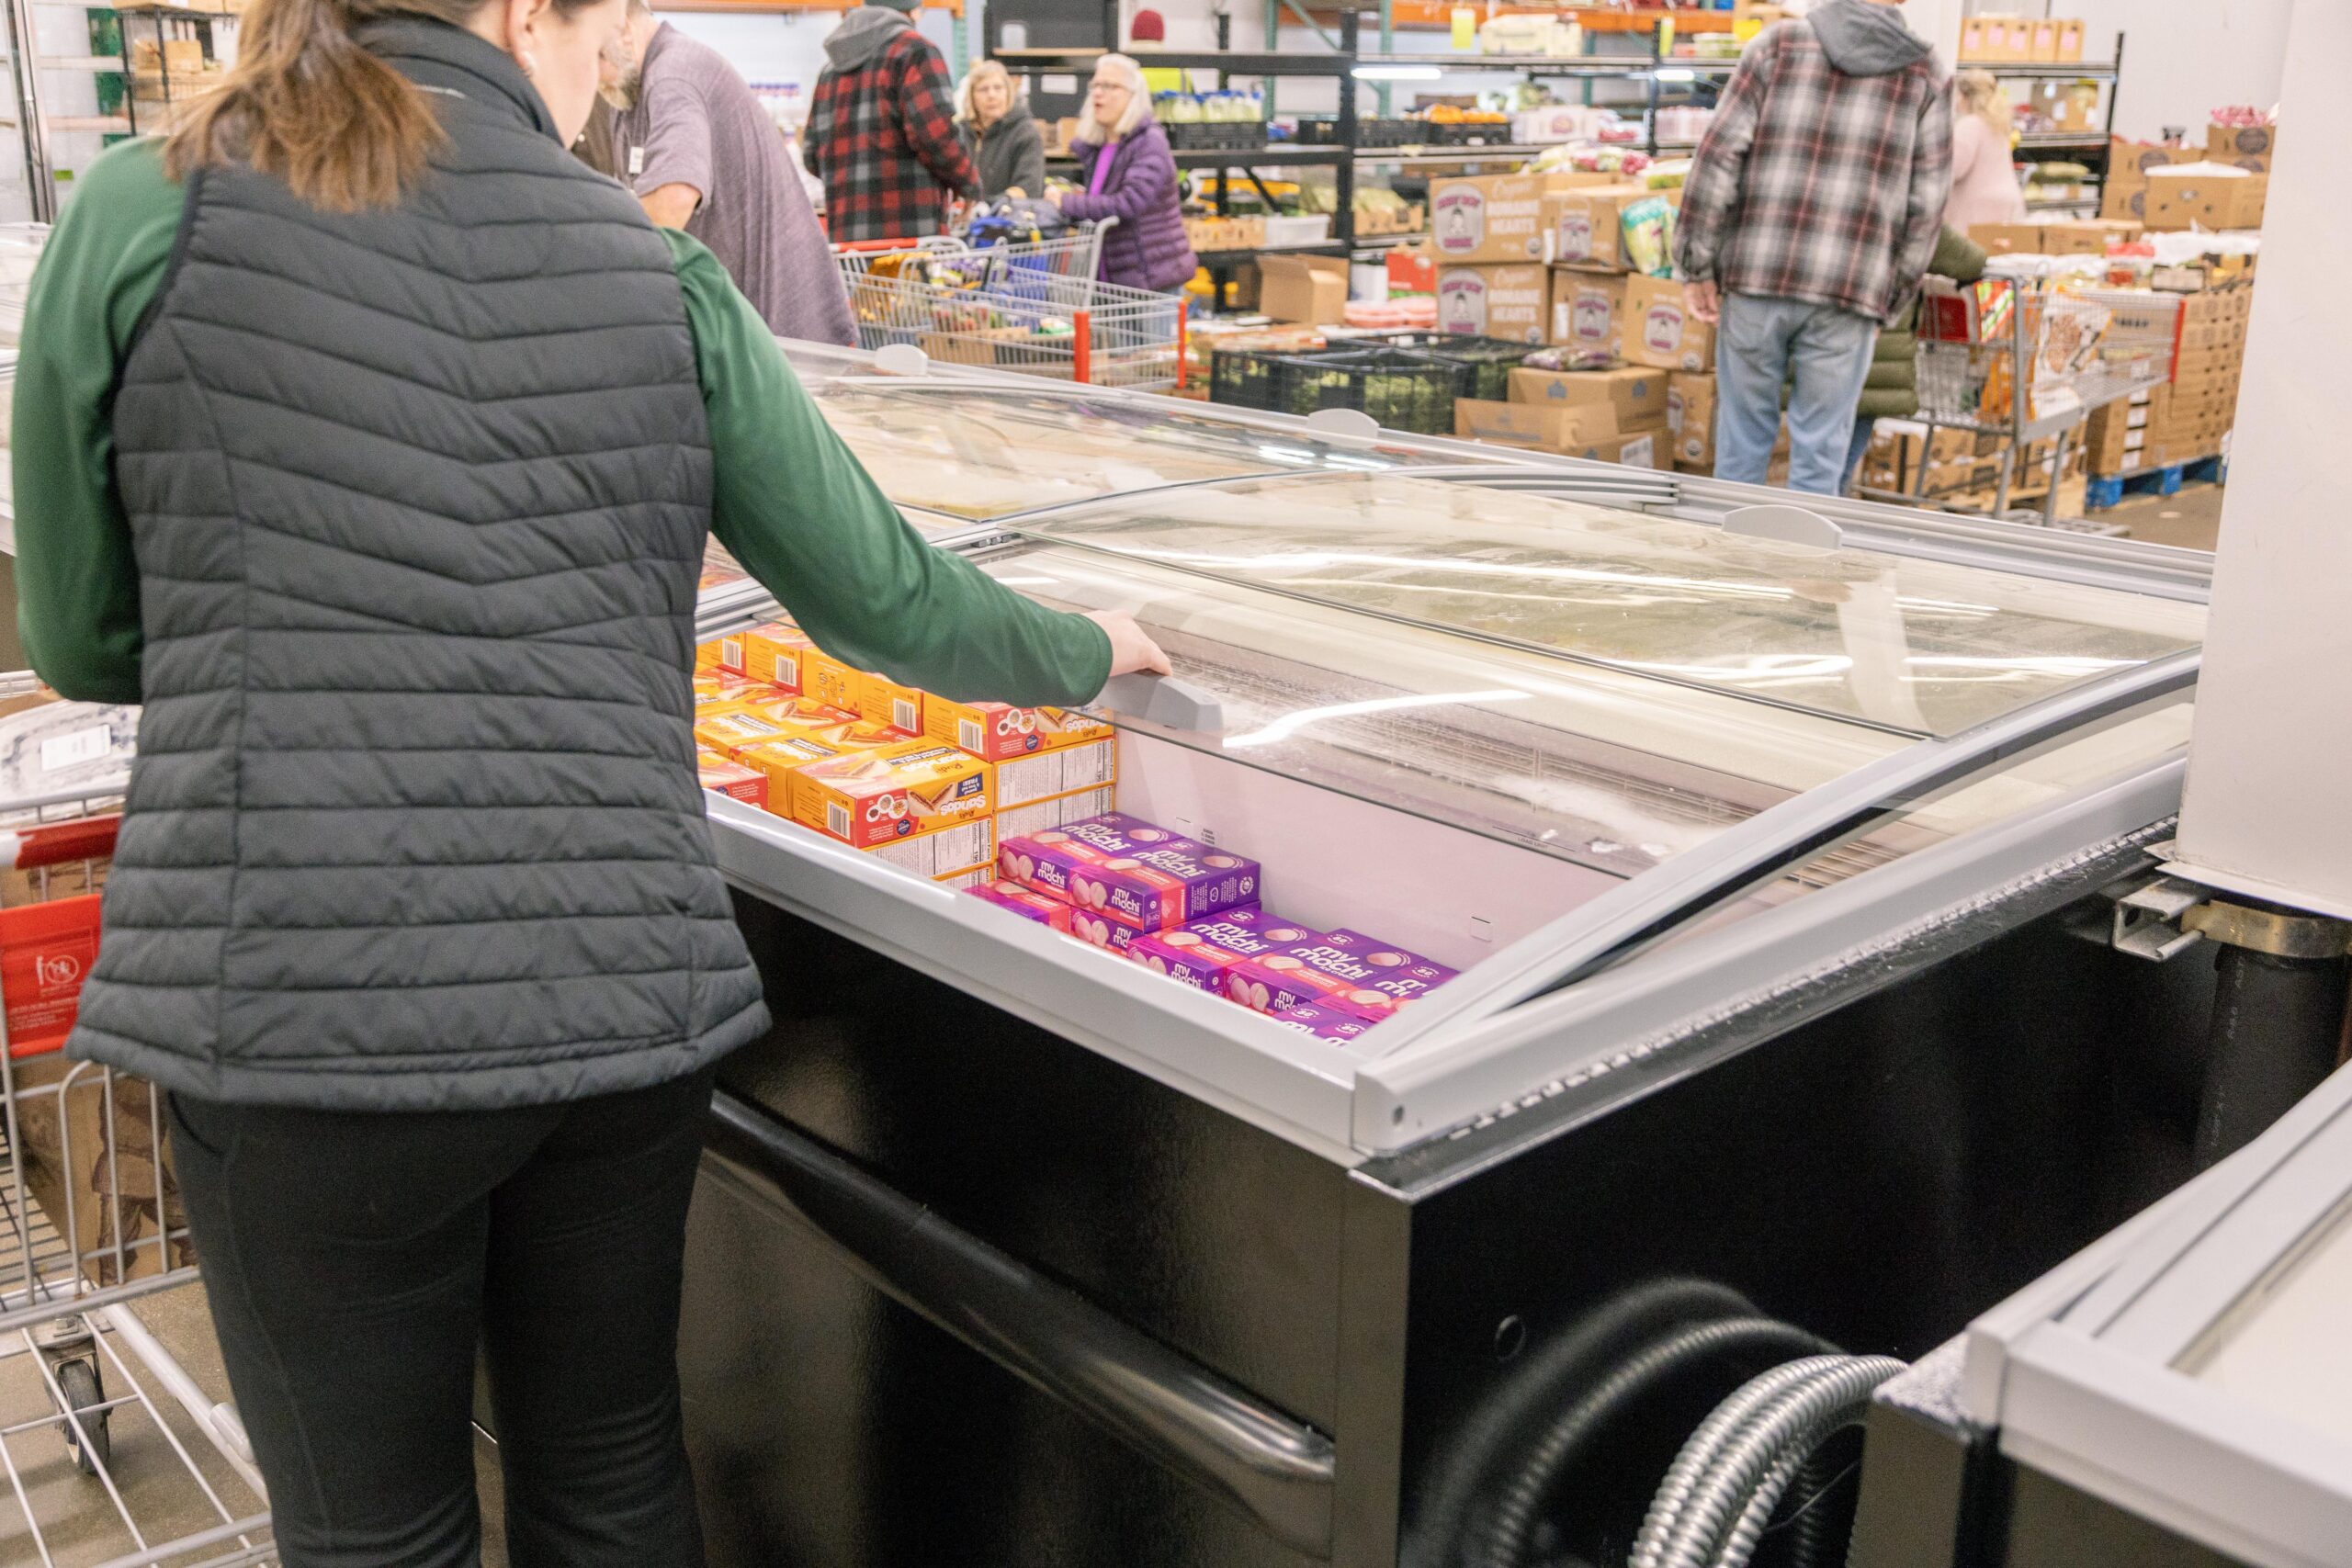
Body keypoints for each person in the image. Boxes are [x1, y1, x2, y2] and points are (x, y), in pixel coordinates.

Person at [7, 0, 1168, 1558]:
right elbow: (886, 600)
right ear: (513, 16)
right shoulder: (651, 264)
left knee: (374, 1525)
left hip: (294, 1006)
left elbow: (83, 633)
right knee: (612, 1478)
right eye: (607, 30)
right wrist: (1093, 647)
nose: (613, 65)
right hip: (615, 1001)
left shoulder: (150, 207)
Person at [1675, 0, 1951, 495]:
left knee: (1741, 450)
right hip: (1852, 287)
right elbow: (1927, 204)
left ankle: (1729, 568)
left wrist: (1696, 265)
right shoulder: (1925, 72)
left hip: (1756, 273)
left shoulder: (1775, 46)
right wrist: (1891, 295)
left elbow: (1716, 159)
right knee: (1820, 457)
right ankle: (1804, 572)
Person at [603, 0, 853, 344]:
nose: (591, 73)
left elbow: (673, 196)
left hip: (784, 332)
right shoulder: (627, 93)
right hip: (740, 325)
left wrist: (613, 292)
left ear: (623, 28)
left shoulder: (673, 75)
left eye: (595, 56)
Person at [804, 0, 977, 242]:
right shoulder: (916, 52)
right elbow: (937, 137)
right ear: (913, 11)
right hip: (909, 239)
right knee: (912, 281)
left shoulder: (830, 71)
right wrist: (969, 184)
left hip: (848, 242)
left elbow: (811, 155)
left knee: (856, 281)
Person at [1844, 225, 1987, 493]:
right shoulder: (1892, 189)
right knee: (1834, 463)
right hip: (1876, 341)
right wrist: (1981, 262)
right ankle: (1817, 520)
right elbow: (1941, 242)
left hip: (1807, 324)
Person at [1053, 53, 1196, 294]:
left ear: (1133, 96)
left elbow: (1127, 203)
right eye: (1096, 85)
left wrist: (1067, 203)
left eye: (1109, 86)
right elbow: (1099, 205)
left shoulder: (1149, 142)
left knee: (1151, 335)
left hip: (1151, 279)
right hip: (1114, 280)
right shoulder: (1099, 146)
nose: (1098, 93)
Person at [1944, 69, 2028, 232]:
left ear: (1964, 96)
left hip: (1978, 206)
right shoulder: (1997, 124)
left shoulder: (1970, 125)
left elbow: (1953, 168)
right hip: (2008, 203)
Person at [956, 58, 1045, 200]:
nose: (992, 95)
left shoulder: (1026, 133)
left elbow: (1028, 189)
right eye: (983, 89)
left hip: (1007, 218)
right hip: (963, 217)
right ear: (972, 97)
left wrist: (984, 207)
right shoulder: (960, 134)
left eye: (998, 88)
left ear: (1008, 92)